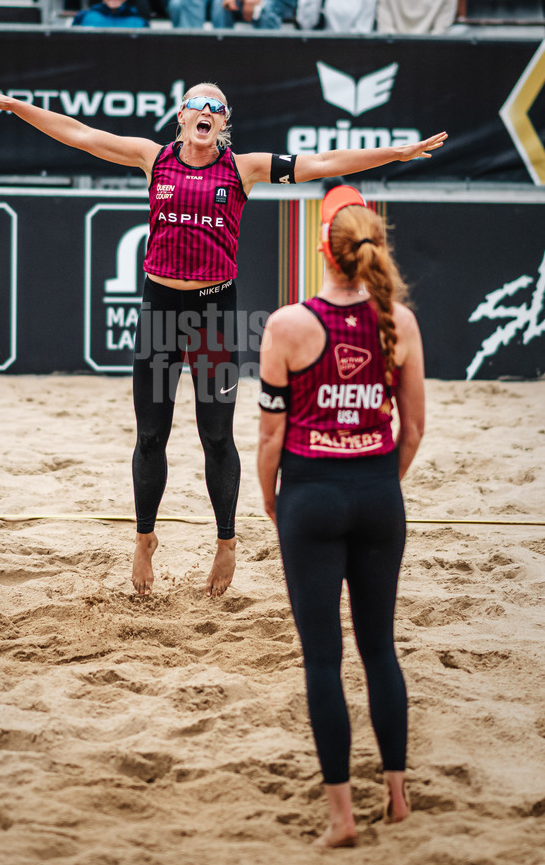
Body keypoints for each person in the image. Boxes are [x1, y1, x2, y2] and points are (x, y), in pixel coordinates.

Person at [0, 75, 445, 599]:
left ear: (224, 121)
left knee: (216, 436)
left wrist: (396, 153)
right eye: (198, 103)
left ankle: (226, 541)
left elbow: (324, 163)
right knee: (151, 435)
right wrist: (14, 105)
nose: (207, 110)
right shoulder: (153, 158)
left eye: (217, 106)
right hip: (159, 309)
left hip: (213, 313)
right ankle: (144, 538)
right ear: (182, 114)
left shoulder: (242, 168)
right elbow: (79, 134)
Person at [257, 184, 427, 848]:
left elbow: (270, 436)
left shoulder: (287, 325)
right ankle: (397, 797)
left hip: (311, 494)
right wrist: (378, 481)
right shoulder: (399, 321)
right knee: (379, 648)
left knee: (322, 661)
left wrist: (272, 497)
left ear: (322, 251)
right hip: (379, 493)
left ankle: (341, 819)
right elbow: (413, 431)